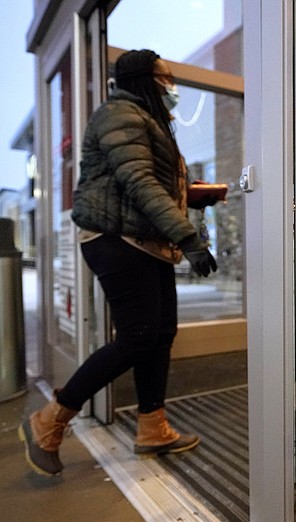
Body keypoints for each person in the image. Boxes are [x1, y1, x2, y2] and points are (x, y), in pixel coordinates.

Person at [19, 49, 217, 477]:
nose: (171, 87)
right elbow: (139, 181)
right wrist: (188, 236)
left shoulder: (145, 118)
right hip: (118, 239)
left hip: (145, 239)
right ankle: (49, 420)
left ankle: (152, 427)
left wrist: (190, 198)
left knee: (160, 333)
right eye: (166, 78)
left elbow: (148, 181)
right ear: (145, 78)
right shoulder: (120, 116)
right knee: (139, 334)